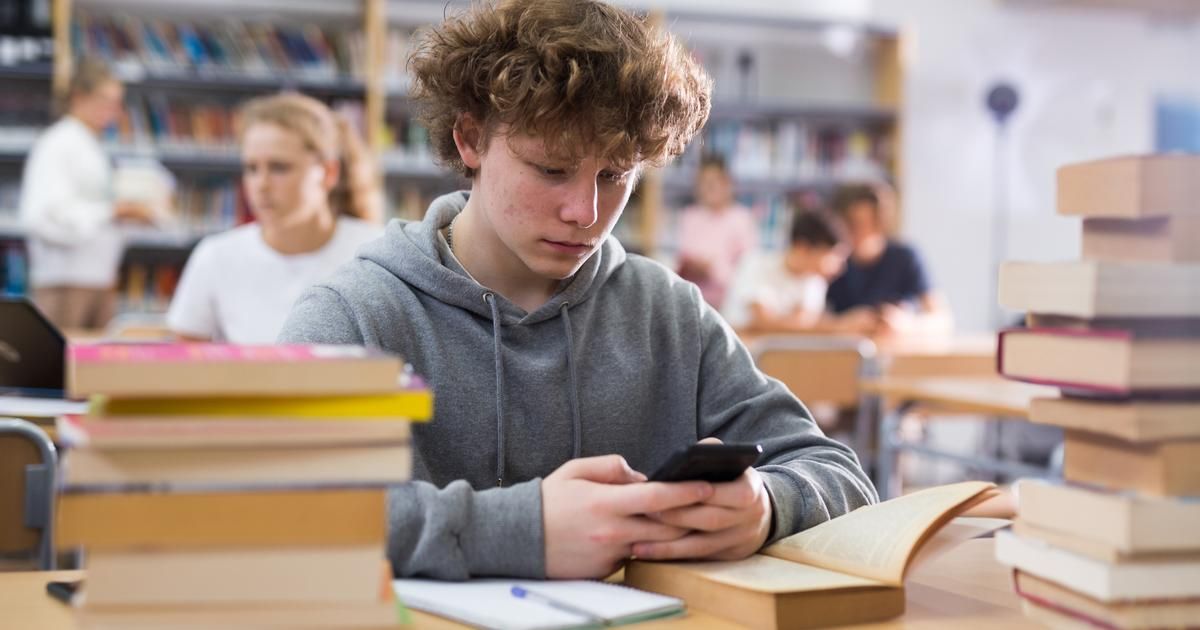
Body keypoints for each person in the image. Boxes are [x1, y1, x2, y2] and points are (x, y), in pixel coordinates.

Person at [279, 0, 875, 580]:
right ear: (470, 139)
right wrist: (521, 529)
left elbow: (840, 473)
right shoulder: (353, 314)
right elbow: (279, 513)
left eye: (615, 176)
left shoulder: (667, 311)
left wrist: (768, 504)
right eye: (552, 168)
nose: (585, 212)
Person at [166, 93, 384, 343]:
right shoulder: (216, 256)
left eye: (279, 167)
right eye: (252, 168)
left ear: (327, 172)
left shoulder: (374, 253)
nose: (261, 185)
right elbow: (187, 366)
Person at [19, 59, 156, 330]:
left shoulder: (92, 145)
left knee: (92, 368)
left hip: (98, 278)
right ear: (79, 97)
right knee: (59, 367)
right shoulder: (57, 144)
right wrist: (112, 212)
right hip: (64, 282)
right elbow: (42, 217)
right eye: (106, 100)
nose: (114, 111)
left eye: (118, 103)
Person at [824, 184, 952, 338]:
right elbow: (803, 320)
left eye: (868, 224)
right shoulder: (829, 262)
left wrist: (908, 325)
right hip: (843, 355)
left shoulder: (905, 257)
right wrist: (841, 324)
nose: (860, 232)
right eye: (852, 224)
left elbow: (943, 320)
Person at [724, 209, 849, 332]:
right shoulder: (755, 263)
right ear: (802, 247)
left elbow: (802, 324)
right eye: (832, 255)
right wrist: (839, 325)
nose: (838, 266)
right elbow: (764, 323)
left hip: (777, 350)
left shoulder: (815, 281)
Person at [675, 155, 758, 308]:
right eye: (702, 184)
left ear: (726, 183)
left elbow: (748, 270)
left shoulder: (742, 219)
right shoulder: (690, 216)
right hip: (692, 300)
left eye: (712, 184)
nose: (706, 190)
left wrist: (713, 270)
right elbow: (682, 259)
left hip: (729, 304)